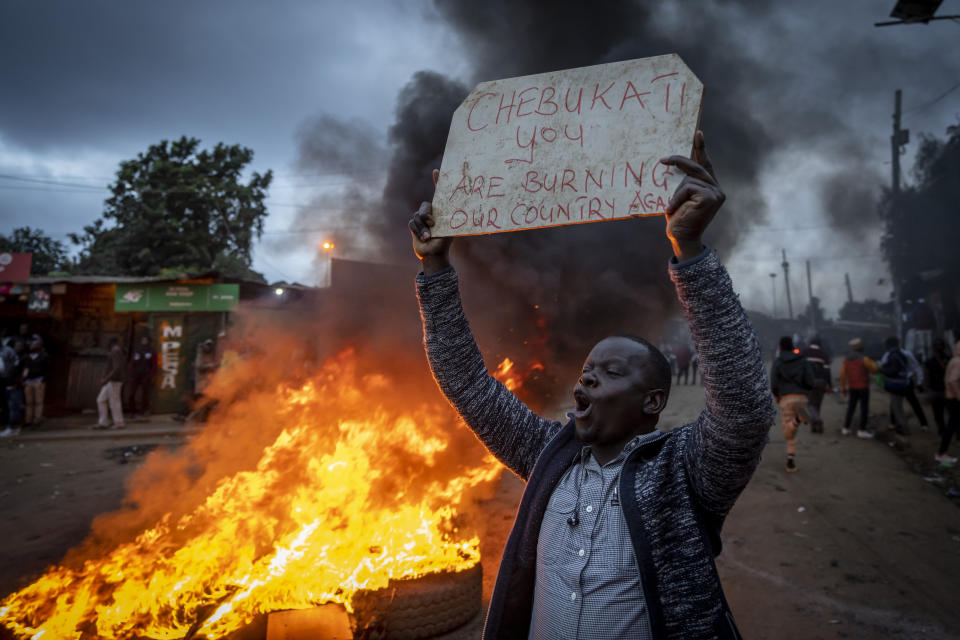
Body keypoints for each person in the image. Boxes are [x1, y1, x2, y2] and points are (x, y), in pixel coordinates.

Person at [411, 132, 774, 639]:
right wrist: (435, 268)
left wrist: (689, 252)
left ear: (651, 402)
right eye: (586, 371)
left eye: (609, 372)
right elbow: (466, 382)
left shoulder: (683, 474)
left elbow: (744, 409)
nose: (585, 378)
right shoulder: (547, 456)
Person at [770, 336, 815, 472]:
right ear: (792, 346)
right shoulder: (803, 360)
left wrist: (777, 395)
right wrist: (805, 392)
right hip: (802, 397)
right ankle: (790, 461)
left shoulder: (778, 361)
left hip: (787, 398)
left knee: (787, 432)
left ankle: (798, 418)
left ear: (781, 347)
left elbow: (774, 382)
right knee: (792, 432)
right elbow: (810, 380)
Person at [839, 338, 878, 438]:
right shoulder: (864, 359)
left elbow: (843, 375)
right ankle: (862, 430)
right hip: (863, 387)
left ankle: (846, 428)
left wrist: (843, 388)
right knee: (864, 408)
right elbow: (874, 370)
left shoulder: (846, 359)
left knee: (851, 407)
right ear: (861, 348)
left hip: (852, 387)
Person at [878, 337, 911, 435]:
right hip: (902, 383)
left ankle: (904, 429)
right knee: (896, 406)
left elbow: (893, 371)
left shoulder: (893, 356)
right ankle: (900, 426)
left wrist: (882, 370)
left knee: (897, 408)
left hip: (897, 385)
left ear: (889, 345)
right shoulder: (899, 354)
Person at [800, 336, 831, 434]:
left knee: (809, 404)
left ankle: (816, 420)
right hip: (821, 382)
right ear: (819, 344)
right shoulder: (824, 354)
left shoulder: (804, 352)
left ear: (810, 343)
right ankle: (814, 427)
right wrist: (829, 384)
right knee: (817, 404)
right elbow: (827, 371)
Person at [95, 338, 126, 430]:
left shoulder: (115, 351)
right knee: (101, 400)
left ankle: (119, 423)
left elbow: (116, 368)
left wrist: (106, 379)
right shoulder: (116, 351)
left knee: (114, 402)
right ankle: (103, 422)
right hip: (111, 380)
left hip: (114, 380)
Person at [938, 341, 960, 464]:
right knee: (951, 426)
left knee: (952, 425)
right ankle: (941, 453)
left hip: (950, 397)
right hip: (955, 399)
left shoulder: (953, 360)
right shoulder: (958, 362)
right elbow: (952, 381)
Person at [22, 335, 49, 427]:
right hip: (29, 381)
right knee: (29, 402)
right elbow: (25, 368)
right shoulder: (27, 357)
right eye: (31, 344)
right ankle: (28, 420)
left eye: (34, 344)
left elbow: (47, 369)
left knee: (38, 401)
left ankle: (37, 419)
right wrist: (24, 379)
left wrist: (43, 379)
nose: (32, 346)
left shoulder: (44, 356)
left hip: (39, 380)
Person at [925, 338, 950, 436]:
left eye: (940, 345)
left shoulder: (948, 359)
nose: (938, 347)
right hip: (936, 390)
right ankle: (943, 431)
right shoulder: (931, 361)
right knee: (938, 414)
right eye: (937, 345)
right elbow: (926, 375)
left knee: (949, 413)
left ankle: (950, 432)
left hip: (945, 390)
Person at [126, 335, 157, 417]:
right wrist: (131, 373)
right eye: (143, 340)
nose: (144, 341)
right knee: (131, 393)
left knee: (144, 394)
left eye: (145, 340)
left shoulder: (152, 351)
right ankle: (132, 411)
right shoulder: (137, 350)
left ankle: (143, 411)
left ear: (148, 341)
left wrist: (151, 375)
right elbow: (132, 362)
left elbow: (154, 365)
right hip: (135, 375)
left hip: (145, 375)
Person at [0, 338, 24, 437]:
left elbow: (15, 369)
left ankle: (14, 428)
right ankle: (11, 427)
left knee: (14, 406)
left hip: (13, 383)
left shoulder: (10, 352)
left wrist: (15, 381)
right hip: (5, 382)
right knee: (8, 406)